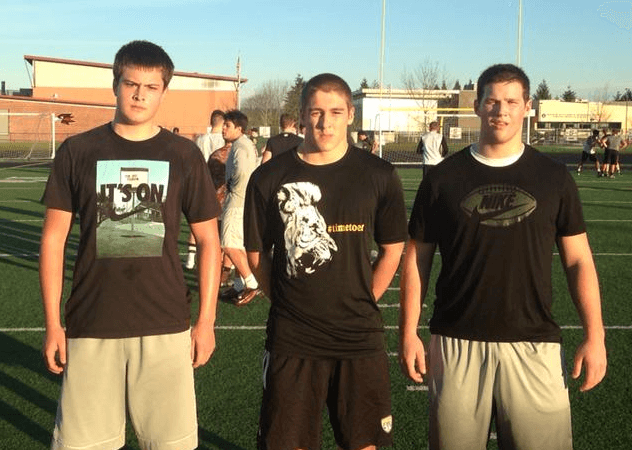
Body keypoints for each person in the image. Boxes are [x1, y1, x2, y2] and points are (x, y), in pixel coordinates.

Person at [399, 64, 607, 450]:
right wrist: (408, 331)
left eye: (512, 101)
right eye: (492, 101)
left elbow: (578, 260)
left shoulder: (554, 178)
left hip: (534, 344)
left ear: (527, 106)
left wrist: (595, 336)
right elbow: (417, 259)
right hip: (455, 341)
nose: (501, 111)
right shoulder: (442, 178)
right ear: (476, 106)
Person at [40, 40, 222, 450]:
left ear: (163, 91)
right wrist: (53, 323)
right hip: (91, 325)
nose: (139, 94)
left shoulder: (184, 155)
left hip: (165, 326)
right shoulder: (77, 151)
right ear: (115, 84)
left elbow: (210, 241)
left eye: (151, 86)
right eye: (131, 83)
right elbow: (53, 240)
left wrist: (207, 321)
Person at [244, 73, 407, 450]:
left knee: (366, 444)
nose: (325, 121)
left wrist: (365, 296)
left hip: (358, 336)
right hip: (293, 338)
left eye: (335, 111)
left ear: (350, 114)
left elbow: (393, 248)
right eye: (316, 112)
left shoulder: (378, 174)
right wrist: (288, 301)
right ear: (301, 115)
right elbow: (256, 257)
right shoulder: (269, 178)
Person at [219, 110, 260, 306]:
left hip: (237, 201)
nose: (223, 129)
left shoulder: (241, 146)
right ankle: (238, 285)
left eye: (227, 126)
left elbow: (242, 173)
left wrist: (231, 187)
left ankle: (251, 283)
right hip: (241, 201)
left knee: (229, 244)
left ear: (239, 128)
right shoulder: (242, 144)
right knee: (238, 244)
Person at [186, 110, 225, 269]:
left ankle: (190, 258)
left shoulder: (200, 139)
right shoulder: (224, 140)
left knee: (196, 221)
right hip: (218, 186)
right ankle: (220, 262)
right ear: (222, 123)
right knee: (218, 227)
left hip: (200, 183)